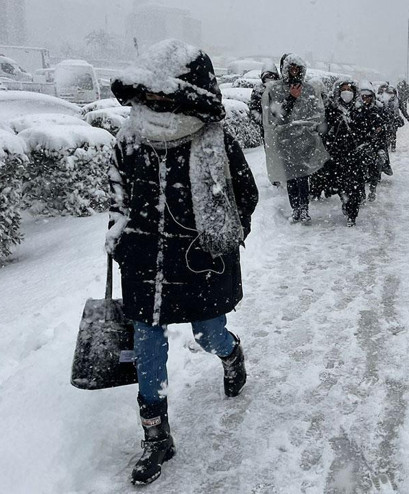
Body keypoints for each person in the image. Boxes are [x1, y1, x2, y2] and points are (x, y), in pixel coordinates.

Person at [108, 39, 259, 486]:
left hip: (198, 262)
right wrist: (119, 239)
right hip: (143, 263)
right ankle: (156, 437)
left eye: (163, 94)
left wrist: (220, 242)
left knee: (207, 333)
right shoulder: (130, 138)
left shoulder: (213, 140)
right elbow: (117, 197)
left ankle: (232, 354)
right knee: (147, 345)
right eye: (148, 94)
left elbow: (244, 197)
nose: (153, 102)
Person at [262, 53, 328, 223]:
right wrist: (291, 98)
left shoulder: (309, 89)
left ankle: (304, 209)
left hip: (305, 140)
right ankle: (295, 208)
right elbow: (276, 117)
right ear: (285, 69)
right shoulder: (276, 89)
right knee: (290, 176)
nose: (294, 71)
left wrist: (312, 129)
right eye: (291, 68)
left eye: (297, 68)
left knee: (303, 176)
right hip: (285, 140)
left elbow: (316, 113)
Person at [323, 79, 364, 226]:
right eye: (344, 89)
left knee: (355, 186)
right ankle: (345, 201)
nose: (347, 92)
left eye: (350, 89)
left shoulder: (360, 110)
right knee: (341, 184)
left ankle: (352, 213)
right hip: (337, 154)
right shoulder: (332, 109)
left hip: (356, 154)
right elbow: (325, 130)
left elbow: (365, 130)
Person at [353, 83, 388, 202]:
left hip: (375, 145)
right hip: (361, 145)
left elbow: (384, 126)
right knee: (360, 172)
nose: (365, 99)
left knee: (374, 170)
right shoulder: (356, 110)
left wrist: (380, 132)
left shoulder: (378, 109)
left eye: (368, 96)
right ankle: (361, 193)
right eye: (363, 96)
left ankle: (372, 190)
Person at [249, 68, 279, 135]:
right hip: (267, 127)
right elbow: (253, 108)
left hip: (279, 126)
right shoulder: (259, 89)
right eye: (267, 79)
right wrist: (262, 120)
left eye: (271, 78)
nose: (270, 82)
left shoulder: (280, 89)